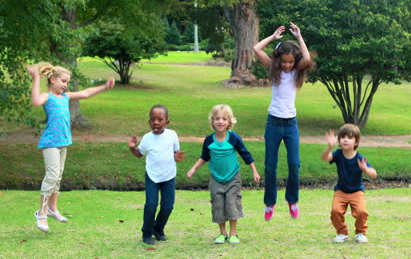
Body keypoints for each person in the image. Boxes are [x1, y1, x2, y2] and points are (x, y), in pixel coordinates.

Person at [28, 62, 114, 233]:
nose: (65, 85)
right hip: (50, 143)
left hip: (63, 142)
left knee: (58, 177)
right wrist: (36, 77)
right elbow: (36, 101)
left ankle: (53, 209)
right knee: (51, 175)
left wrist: (104, 87)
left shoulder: (65, 97)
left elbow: (86, 93)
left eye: (67, 82)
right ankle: (42, 213)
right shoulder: (47, 96)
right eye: (63, 81)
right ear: (52, 79)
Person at [253, 22, 314, 220]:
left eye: (290, 62)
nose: (287, 65)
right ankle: (270, 203)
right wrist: (273, 37)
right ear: (278, 60)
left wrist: (299, 37)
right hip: (273, 124)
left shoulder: (297, 72)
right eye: (284, 62)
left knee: (294, 164)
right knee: (270, 166)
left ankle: (292, 200)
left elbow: (306, 58)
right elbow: (256, 48)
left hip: (290, 125)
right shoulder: (275, 70)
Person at [186, 104, 261, 244]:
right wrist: (193, 169)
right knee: (218, 205)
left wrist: (254, 171)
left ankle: (233, 234)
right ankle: (222, 233)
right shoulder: (209, 140)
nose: (220, 121)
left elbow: (246, 154)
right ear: (212, 121)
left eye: (224, 119)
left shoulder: (234, 138)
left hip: (233, 178)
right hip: (216, 179)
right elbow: (204, 157)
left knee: (232, 204)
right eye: (217, 118)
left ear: (229, 122)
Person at [128, 105, 186, 245]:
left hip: (169, 176)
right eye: (153, 119)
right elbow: (139, 154)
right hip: (152, 177)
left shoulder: (172, 135)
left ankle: (158, 229)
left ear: (167, 122)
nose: (156, 122)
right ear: (149, 122)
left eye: (160, 119)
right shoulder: (147, 138)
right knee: (151, 205)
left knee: (167, 206)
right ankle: (146, 233)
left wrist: (177, 156)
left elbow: (175, 152)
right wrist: (132, 148)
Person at [321, 124, 378, 243]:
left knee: (361, 212)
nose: (345, 139)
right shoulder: (337, 154)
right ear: (339, 141)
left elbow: (374, 174)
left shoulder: (360, 158)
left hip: (357, 191)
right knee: (335, 211)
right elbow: (325, 157)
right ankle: (342, 233)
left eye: (349, 137)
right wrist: (329, 147)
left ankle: (360, 233)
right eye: (342, 137)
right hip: (341, 191)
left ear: (356, 142)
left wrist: (365, 169)